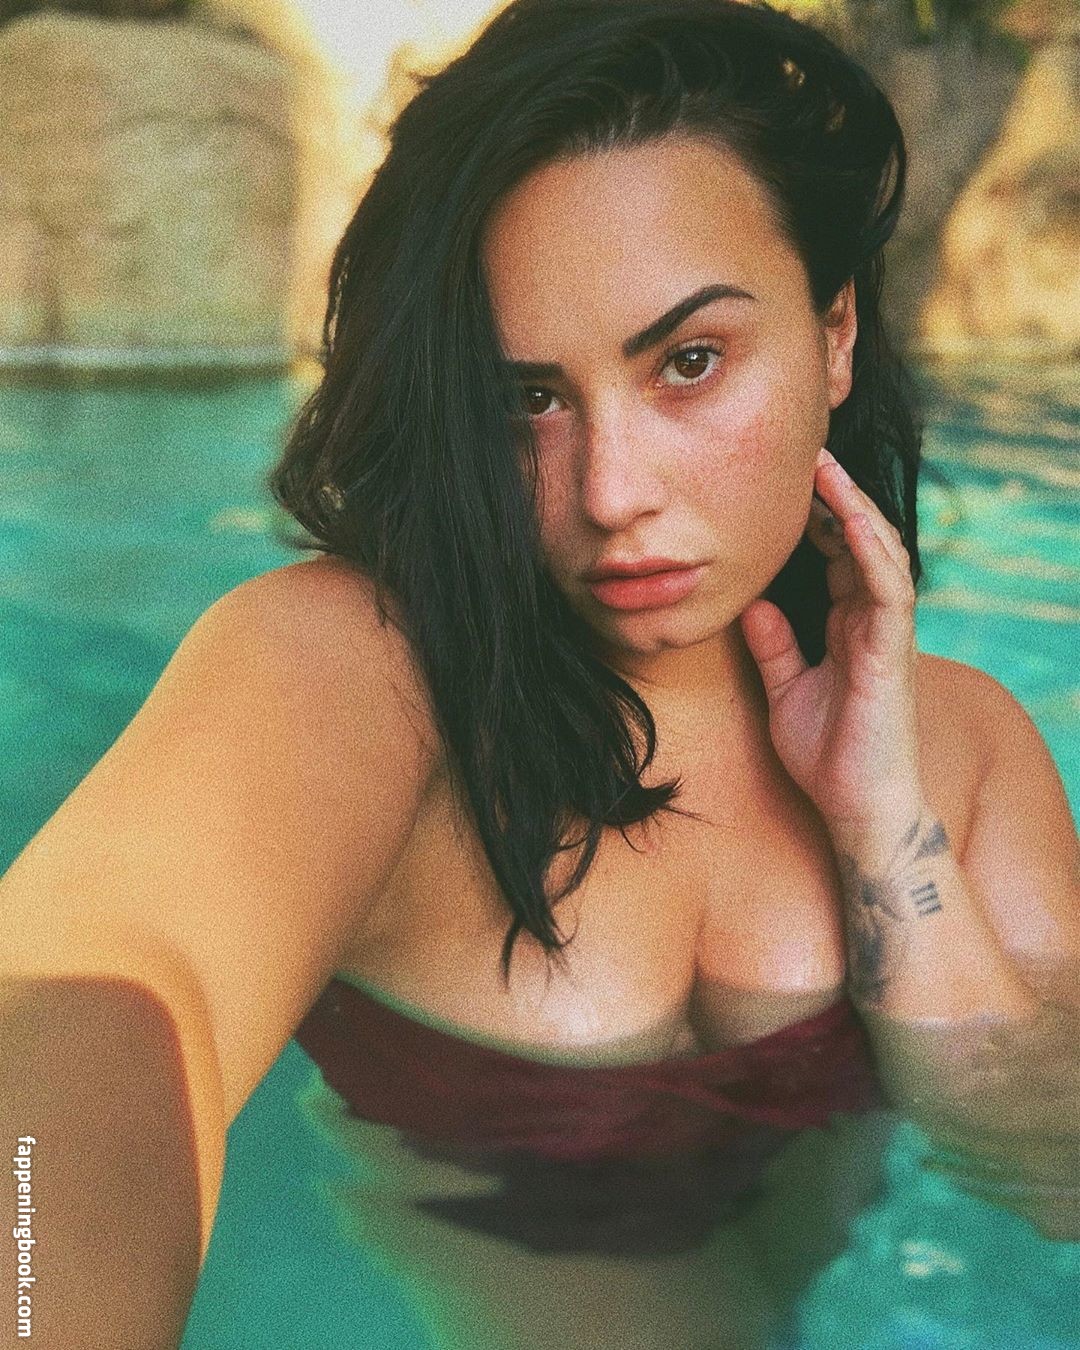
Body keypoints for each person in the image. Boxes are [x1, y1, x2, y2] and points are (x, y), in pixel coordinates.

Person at [3, 1, 1077, 1346]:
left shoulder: (964, 743)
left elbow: (1048, 1169)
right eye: (528, 398)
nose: (612, 493)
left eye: (690, 361)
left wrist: (883, 821)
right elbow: (92, 1003)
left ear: (838, 330)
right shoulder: (360, 676)